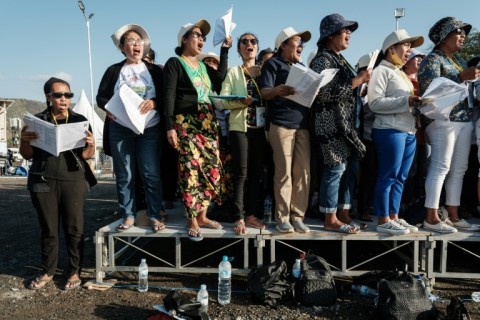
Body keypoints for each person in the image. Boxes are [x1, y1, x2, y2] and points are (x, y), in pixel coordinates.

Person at [20, 77, 96, 290]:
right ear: (48, 97)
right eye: (58, 95)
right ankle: (48, 271)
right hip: (43, 179)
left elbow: (86, 155)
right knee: (49, 228)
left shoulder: (80, 120)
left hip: (72, 179)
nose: (64, 99)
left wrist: (92, 145)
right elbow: (27, 155)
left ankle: (74, 270)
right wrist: (24, 140)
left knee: (74, 227)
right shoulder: (37, 120)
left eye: (68, 95)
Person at [163, 19, 231, 241]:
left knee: (211, 167)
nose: (201, 39)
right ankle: (191, 218)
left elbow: (220, 78)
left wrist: (224, 50)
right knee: (190, 168)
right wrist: (170, 126)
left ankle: (203, 215)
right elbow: (169, 96)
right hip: (186, 120)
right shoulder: (175, 63)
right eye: (196, 35)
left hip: (208, 120)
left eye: (203, 37)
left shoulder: (202, 66)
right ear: (184, 39)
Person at [96, 24, 165, 233]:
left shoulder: (154, 70)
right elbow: (101, 97)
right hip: (121, 127)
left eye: (139, 41)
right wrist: (108, 109)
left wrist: (154, 102)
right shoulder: (114, 70)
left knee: (150, 172)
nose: (136, 44)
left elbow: (166, 96)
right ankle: (128, 214)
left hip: (149, 127)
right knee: (125, 173)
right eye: (131, 41)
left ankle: (154, 214)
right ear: (122, 47)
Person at [418, 17, 480, 233]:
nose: (463, 36)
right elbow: (428, 90)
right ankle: (431, 217)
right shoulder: (432, 59)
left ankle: (453, 215)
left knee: (459, 169)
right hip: (442, 120)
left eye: (465, 33)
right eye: (458, 32)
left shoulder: (460, 61)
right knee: (440, 167)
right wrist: (460, 77)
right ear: (444, 36)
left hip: (464, 120)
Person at [310, 14, 370, 233]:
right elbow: (321, 94)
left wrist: (359, 85)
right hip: (329, 123)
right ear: (330, 35)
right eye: (344, 31)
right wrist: (357, 81)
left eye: (349, 31)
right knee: (336, 168)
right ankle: (330, 217)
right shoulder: (321, 60)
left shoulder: (340, 59)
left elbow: (345, 91)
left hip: (346, 125)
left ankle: (343, 212)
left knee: (350, 168)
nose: (349, 34)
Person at [368, 29, 424, 235]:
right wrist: (406, 100)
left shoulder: (400, 72)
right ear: (391, 49)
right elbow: (374, 103)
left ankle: (394, 216)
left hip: (408, 130)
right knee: (389, 175)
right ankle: (383, 219)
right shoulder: (381, 71)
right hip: (389, 130)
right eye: (406, 45)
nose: (409, 50)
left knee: (401, 177)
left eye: (410, 46)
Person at [260, 27, 312, 233]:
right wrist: (277, 90)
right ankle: (282, 217)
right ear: (283, 45)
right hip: (281, 123)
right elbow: (264, 92)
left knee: (303, 173)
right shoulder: (272, 63)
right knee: (284, 172)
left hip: (303, 124)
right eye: (296, 41)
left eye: (302, 43)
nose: (300, 46)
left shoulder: (302, 67)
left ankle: (298, 216)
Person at [220, 33, 267, 235]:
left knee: (257, 174)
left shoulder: (266, 71)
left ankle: (251, 215)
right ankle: (238, 217)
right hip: (241, 128)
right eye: (244, 42)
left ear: (257, 47)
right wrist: (241, 102)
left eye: (253, 41)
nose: (249, 44)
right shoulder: (234, 72)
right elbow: (221, 100)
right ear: (239, 49)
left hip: (262, 130)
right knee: (241, 174)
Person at [402, 49, 427, 208]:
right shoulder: (401, 79)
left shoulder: (423, 80)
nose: (419, 61)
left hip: (423, 133)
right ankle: (405, 203)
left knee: (422, 170)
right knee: (409, 170)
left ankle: (418, 204)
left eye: (421, 58)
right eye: (416, 58)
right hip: (407, 131)